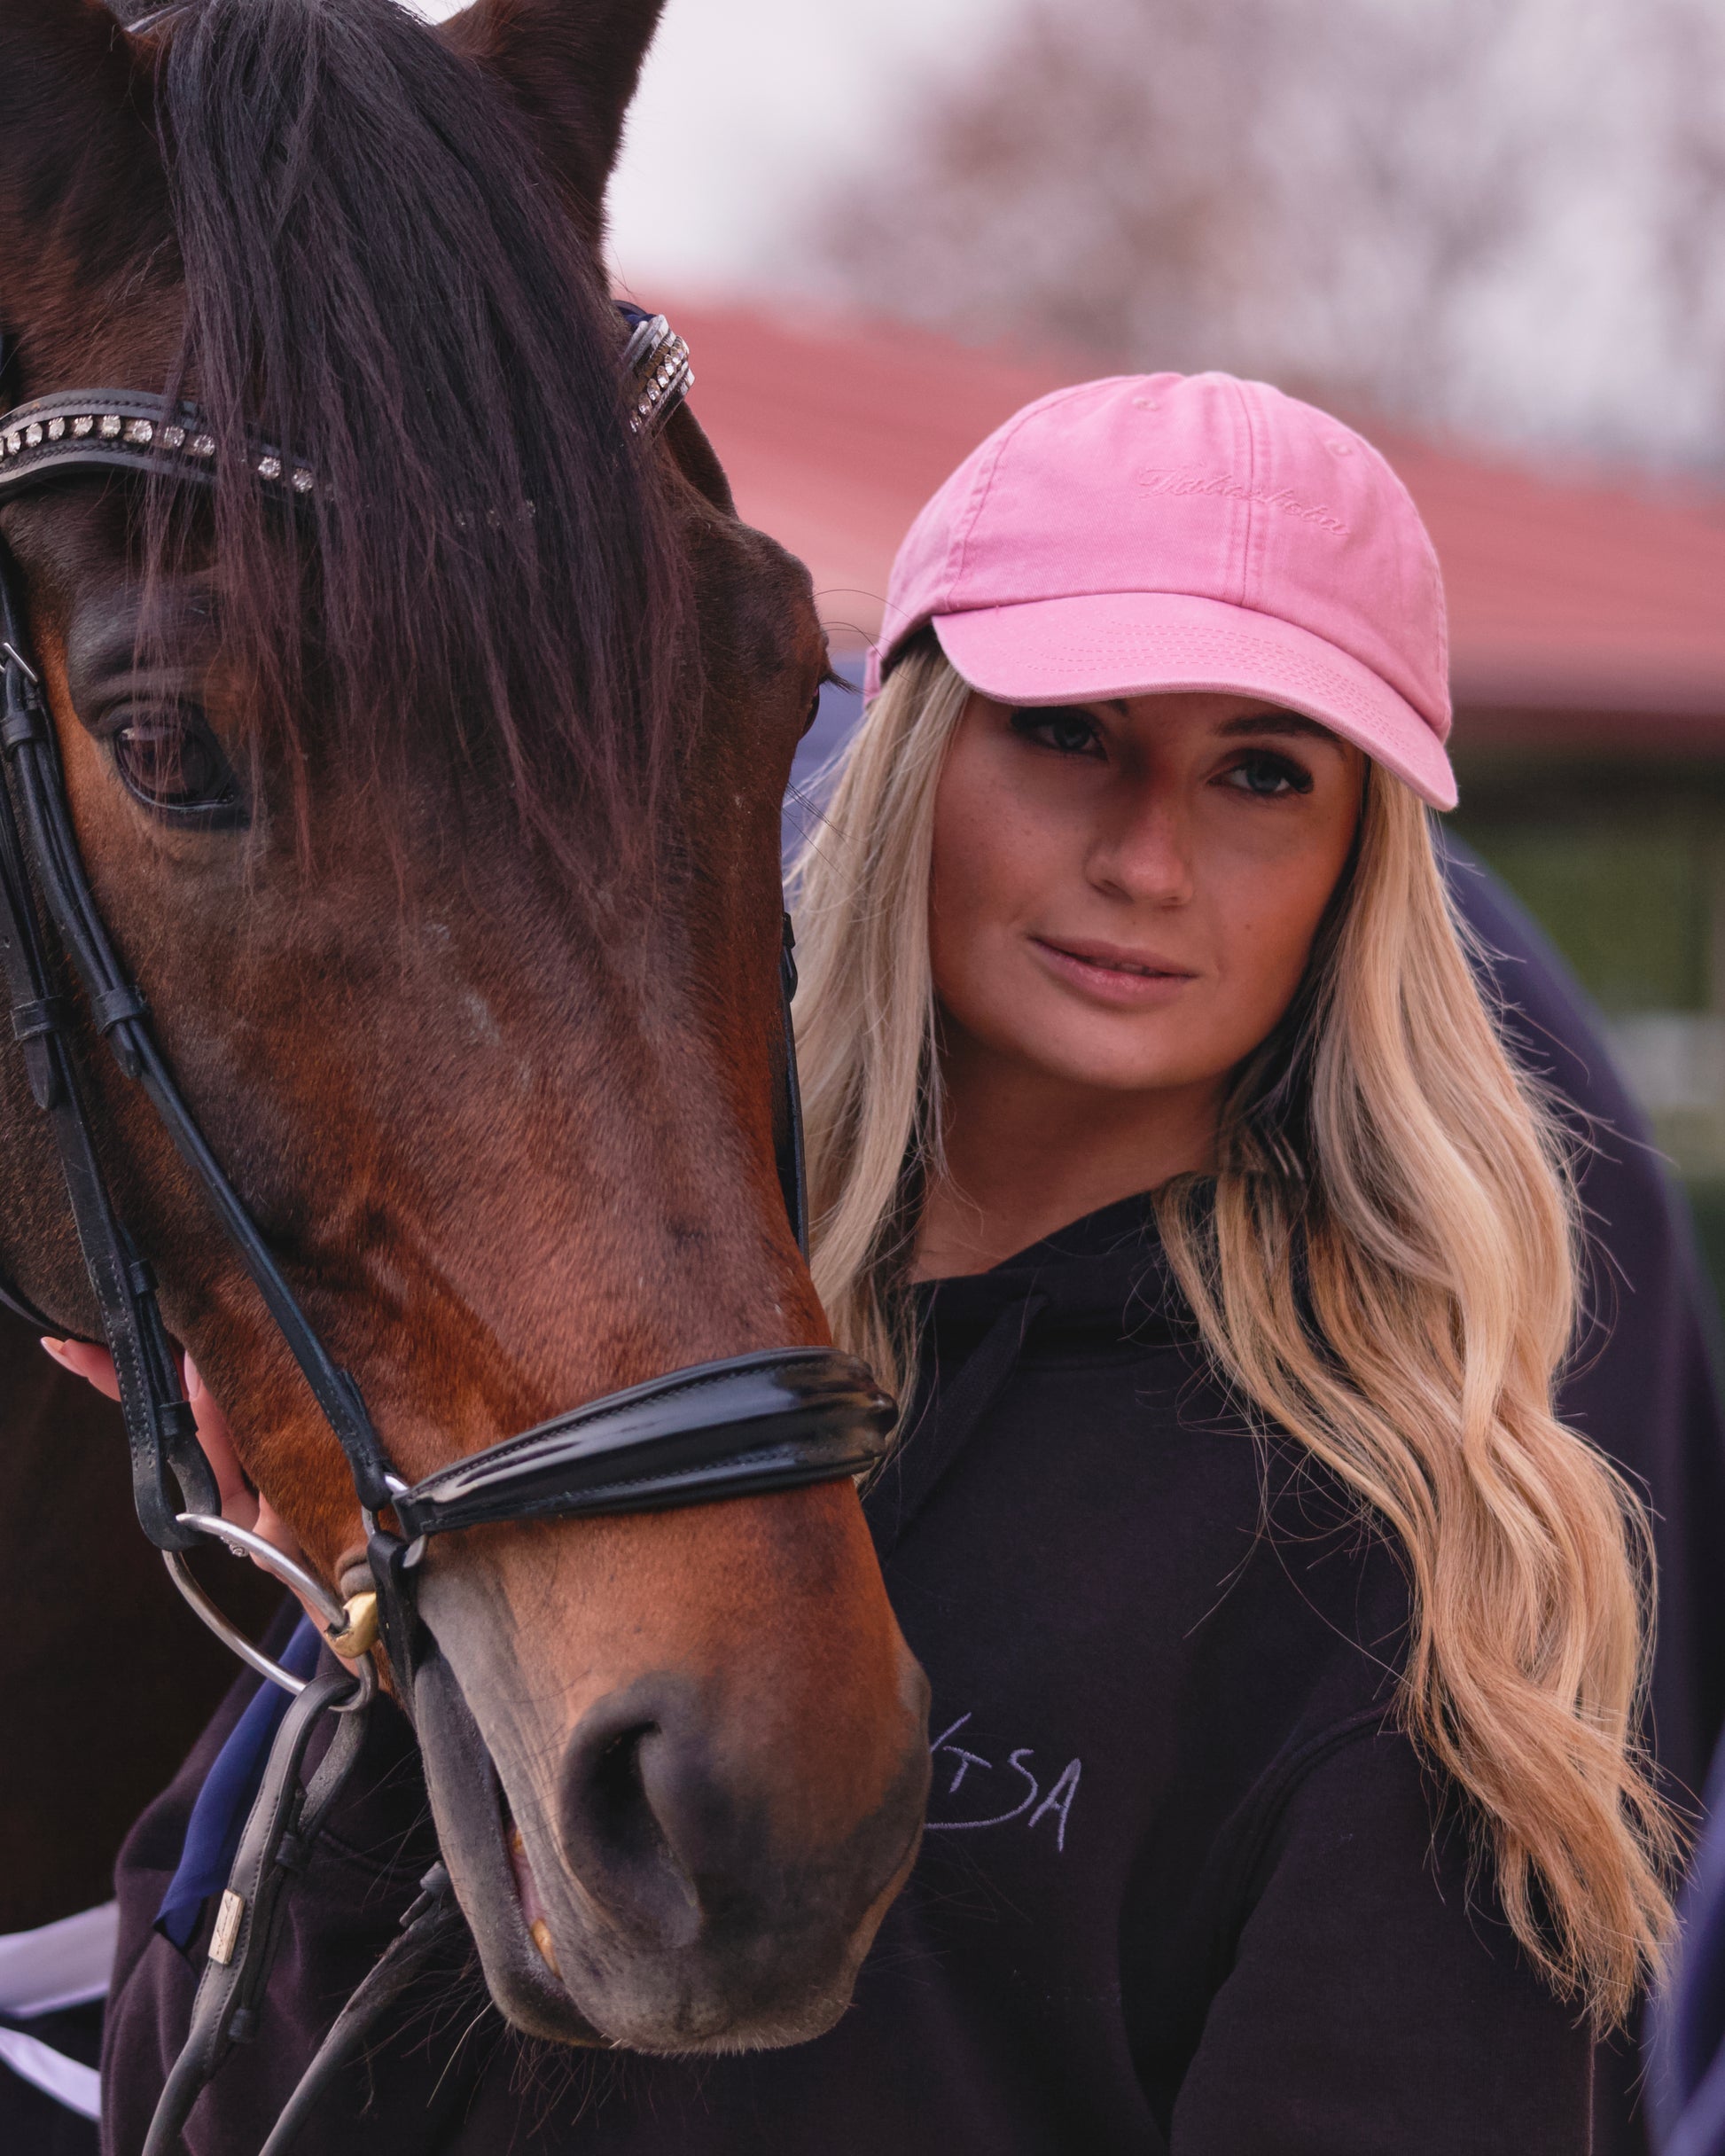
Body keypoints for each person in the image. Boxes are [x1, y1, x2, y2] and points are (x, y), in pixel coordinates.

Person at [62, 372, 1711, 2153]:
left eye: (1261, 773)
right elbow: (185, 2092)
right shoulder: (605, 1370)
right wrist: (378, 1635)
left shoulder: (1406, 1571)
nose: (1147, 859)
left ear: (1350, 871)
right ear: (917, 753)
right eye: (1066, 731)